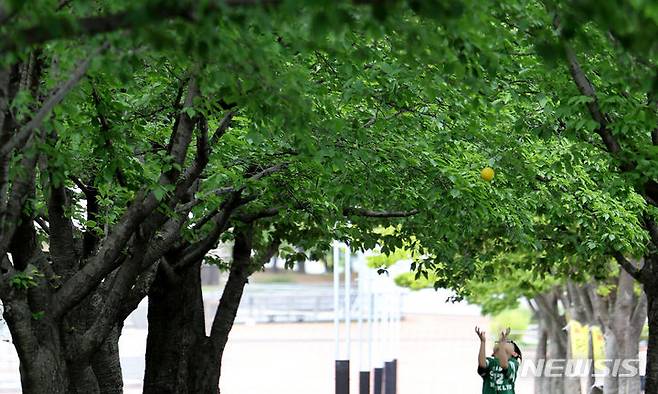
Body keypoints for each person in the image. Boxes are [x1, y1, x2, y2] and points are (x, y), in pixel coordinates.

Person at [475, 326, 522, 394]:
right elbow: (482, 365)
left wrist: (502, 344)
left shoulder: (513, 363)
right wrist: (483, 342)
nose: (501, 342)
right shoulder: (490, 361)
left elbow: (504, 364)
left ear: (514, 354)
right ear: (493, 353)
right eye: (498, 342)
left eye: (508, 342)